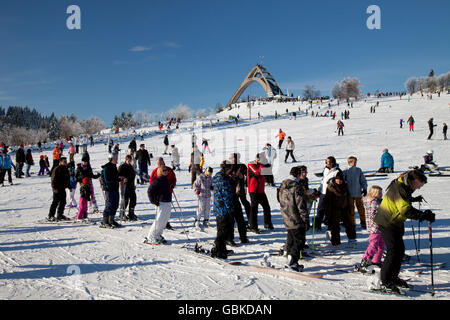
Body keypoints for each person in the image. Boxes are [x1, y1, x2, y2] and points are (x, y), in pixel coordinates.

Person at [374, 169, 435, 294]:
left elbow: (402, 200)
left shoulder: (404, 185)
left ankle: (393, 278)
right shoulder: (400, 187)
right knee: (393, 252)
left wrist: (413, 200)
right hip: (387, 221)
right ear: (414, 180)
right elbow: (405, 210)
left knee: (399, 251)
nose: (419, 188)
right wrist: (423, 215)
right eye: (419, 185)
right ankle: (385, 282)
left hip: (395, 221)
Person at [278, 166, 310, 272]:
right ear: (297, 174)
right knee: (299, 240)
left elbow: (278, 198)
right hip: (296, 217)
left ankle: (289, 257)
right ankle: (293, 261)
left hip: (286, 214)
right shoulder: (296, 186)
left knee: (291, 237)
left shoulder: (283, 184)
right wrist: (305, 219)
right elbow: (301, 205)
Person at [324, 171, 356, 246]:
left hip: (344, 208)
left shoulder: (345, 186)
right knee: (335, 226)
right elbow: (327, 201)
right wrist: (328, 213)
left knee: (349, 224)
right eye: (337, 179)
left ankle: (352, 239)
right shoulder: (330, 188)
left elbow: (348, 197)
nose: (339, 181)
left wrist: (349, 208)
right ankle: (335, 241)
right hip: (334, 209)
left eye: (341, 180)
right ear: (335, 179)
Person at [211, 161, 235, 259]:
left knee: (222, 230)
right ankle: (218, 250)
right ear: (227, 169)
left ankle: (222, 248)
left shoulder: (218, 176)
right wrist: (230, 209)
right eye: (230, 169)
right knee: (223, 231)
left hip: (218, 207)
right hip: (223, 208)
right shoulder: (223, 179)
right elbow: (226, 196)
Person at [359, 185, 384, 271]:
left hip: (380, 227)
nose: (381, 194)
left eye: (381, 193)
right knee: (373, 245)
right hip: (375, 227)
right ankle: (365, 260)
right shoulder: (374, 202)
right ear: (373, 193)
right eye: (378, 193)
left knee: (381, 244)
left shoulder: (378, 201)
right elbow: (375, 215)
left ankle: (376, 261)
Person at [146, 166, 173, 244]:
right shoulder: (157, 180)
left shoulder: (166, 180)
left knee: (164, 220)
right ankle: (151, 237)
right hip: (161, 203)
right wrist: (153, 201)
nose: (166, 171)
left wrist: (170, 187)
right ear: (160, 172)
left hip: (167, 202)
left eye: (166, 170)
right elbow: (150, 191)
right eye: (164, 170)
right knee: (159, 220)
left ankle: (158, 235)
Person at [247, 153, 273, 233]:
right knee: (254, 209)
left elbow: (269, 170)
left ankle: (267, 223)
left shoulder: (262, 164)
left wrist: (266, 165)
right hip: (253, 190)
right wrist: (263, 165)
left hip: (261, 190)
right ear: (258, 159)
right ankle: (253, 227)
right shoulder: (251, 164)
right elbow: (257, 172)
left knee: (267, 207)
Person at [149, 157, 177, 230]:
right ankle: (158, 225)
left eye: (160, 162)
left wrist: (172, 184)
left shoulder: (169, 170)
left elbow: (174, 178)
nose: (159, 164)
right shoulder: (155, 171)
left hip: (168, 192)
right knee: (160, 211)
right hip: (159, 195)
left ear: (163, 162)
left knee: (167, 210)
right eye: (158, 163)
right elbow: (151, 182)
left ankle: (166, 222)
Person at [315, 156, 342, 230]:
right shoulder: (326, 169)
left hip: (331, 194)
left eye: (328, 162)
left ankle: (331, 225)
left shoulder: (337, 171)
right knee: (320, 209)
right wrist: (319, 190)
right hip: (323, 192)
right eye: (325, 162)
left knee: (330, 210)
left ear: (333, 162)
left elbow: (340, 183)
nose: (326, 164)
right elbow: (323, 181)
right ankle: (317, 224)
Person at [343, 156, 368, 229]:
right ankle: (352, 222)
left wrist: (365, 189)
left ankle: (363, 221)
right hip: (349, 193)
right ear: (349, 162)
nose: (355, 163)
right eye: (353, 162)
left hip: (358, 193)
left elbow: (363, 180)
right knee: (351, 209)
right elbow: (343, 182)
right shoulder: (345, 171)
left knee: (361, 208)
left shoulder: (358, 170)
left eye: (355, 162)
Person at [228, 153, 251, 226]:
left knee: (244, 202)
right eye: (231, 158)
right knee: (234, 204)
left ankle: (250, 218)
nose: (232, 159)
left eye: (233, 158)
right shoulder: (229, 166)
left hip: (240, 188)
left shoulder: (242, 165)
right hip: (231, 188)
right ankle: (235, 219)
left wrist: (245, 181)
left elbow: (248, 175)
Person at [227, 165, 249, 245]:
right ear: (234, 171)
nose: (240, 172)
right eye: (238, 170)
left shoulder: (237, 178)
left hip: (236, 200)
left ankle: (243, 237)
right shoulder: (228, 178)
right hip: (230, 201)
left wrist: (241, 178)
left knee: (241, 220)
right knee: (231, 221)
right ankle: (229, 239)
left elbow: (241, 190)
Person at [99, 155, 122, 228]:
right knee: (109, 205)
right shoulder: (107, 167)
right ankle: (105, 221)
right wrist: (116, 180)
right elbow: (107, 179)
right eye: (115, 158)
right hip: (109, 189)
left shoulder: (114, 166)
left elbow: (115, 177)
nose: (117, 159)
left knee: (115, 204)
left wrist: (119, 179)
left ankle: (111, 220)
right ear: (112, 159)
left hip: (115, 188)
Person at [47, 157, 72, 221]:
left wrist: (69, 187)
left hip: (63, 188)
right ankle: (51, 215)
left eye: (66, 161)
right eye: (64, 161)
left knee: (63, 202)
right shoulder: (57, 169)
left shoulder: (66, 169)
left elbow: (67, 179)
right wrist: (54, 188)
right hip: (57, 188)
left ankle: (60, 215)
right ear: (60, 162)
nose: (65, 163)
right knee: (55, 202)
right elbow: (53, 179)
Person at [118, 154, 138, 221]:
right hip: (124, 185)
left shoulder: (131, 167)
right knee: (125, 200)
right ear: (126, 160)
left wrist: (134, 184)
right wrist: (123, 178)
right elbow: (118, 176)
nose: (129, 161)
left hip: (131, 185)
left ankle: (131, 213)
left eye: (130, 160)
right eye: (128, 160)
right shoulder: (122, 167)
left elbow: (133, 177)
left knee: (133, 199)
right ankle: (121, 213)